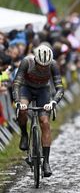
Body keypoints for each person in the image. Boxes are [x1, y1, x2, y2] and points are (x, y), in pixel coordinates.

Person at [12, 43, 64, 177]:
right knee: (23, 110)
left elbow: (59, 88)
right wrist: (18, 102)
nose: (42, 68)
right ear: (35, 60)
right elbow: (17, 83)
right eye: (40, 65)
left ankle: (46, 162)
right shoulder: (26, 62)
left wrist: (53, 102)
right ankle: (24, 134)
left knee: (45, 122)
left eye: (45, 66)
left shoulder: (53, 64)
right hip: (26, 89)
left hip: (43, 91)